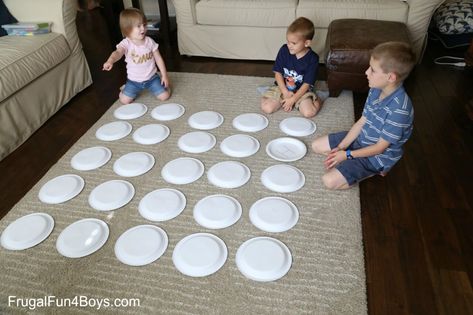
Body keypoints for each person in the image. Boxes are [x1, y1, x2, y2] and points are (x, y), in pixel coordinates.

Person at [311, 41, 416, 189]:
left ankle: (376, 170)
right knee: (316, 146)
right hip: (362, 139)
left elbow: (379, 148)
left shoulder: (400, 110)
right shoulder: (376, 88)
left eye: (372, 70)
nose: (366, 72)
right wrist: (342, 147)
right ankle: (351, 162)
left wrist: (347, 155)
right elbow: (362, 122)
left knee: (329, 181)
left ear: (391, 77)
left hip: (376, 156)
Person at [103, 8, 170, 104]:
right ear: (127, 29)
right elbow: (117, 53)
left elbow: (158, 58)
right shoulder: (126, 43)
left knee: (165, 96)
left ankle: (166, 87)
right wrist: (110, 61)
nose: (143, 28)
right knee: (124, 101)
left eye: (144, 25)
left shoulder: (149, 41)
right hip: (133, 81)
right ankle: (125, 89)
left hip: (152, 79)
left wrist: (164, 75)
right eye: (138, 26)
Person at [261, 17, 322, 118]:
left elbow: (306, 84)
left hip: (302, 91)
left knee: (309, 113)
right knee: (267, 108)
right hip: (282, 87)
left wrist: (292, 100)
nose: (289, 45)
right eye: (288, 41)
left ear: (306, 43)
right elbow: (278, 73)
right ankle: (269, 94)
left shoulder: (313, 58)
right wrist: (285, 92)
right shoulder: (284, 50)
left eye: (293, 43)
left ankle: (318, 98)